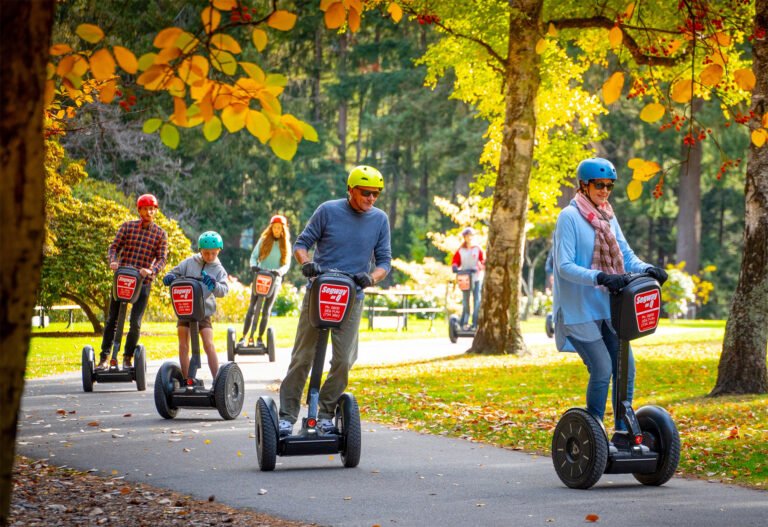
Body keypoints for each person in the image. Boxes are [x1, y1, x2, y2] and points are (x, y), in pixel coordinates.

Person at [552, 157, 668, 439]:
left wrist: (647, 268)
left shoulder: (607, 215)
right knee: (603, 369)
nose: (604, 191)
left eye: (609, 186)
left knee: (626, 368)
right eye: (599, 185)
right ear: (584, 185)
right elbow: (564, 266)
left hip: (607, 307)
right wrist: (600, 277)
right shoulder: (569, 217)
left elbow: (625, 255)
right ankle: (592, 435)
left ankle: (623, 431)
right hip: (578, 310)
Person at [278, 165, 391, 436]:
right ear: (351, 190)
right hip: (320, 291)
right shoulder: (328, 210)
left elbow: (385, 262)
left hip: (352, 296)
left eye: (376, 193)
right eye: (366, 193)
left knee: (343, 360)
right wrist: (307, 264)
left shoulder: (380, 220)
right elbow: (301, 245)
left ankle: (326, 413)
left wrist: (371, 278)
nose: (371, 198)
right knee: (302, 357)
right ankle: (286, 416)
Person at [98, 194, 168, 370]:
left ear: (155, 211)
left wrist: (151, 270)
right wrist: (113, 261)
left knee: (135, 323)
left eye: (153, 209)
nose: (149, 212)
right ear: (140, 210)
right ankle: (105, 357)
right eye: (146, 208)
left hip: (142, 282)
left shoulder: (160, 234)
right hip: (122, 280)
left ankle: (127, 357)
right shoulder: (127, 227)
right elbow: (113, 247)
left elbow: (162, 259)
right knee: (112, 319)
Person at [162, 231, 229, 380]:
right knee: (183, 343)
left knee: (208, 343)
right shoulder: (189, 263)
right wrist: (170, 277)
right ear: (200, 250)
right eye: (206, 253)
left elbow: (224, 290)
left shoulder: (219, 270)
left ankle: (218, 382)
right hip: (185, 309)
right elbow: (174, 273)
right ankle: (187, 380)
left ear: (219, 251)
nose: (210, 257)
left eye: (213, 253)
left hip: (203, 312)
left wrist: (214, 285)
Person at [240, 214, 292, 347]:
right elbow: (253, 256)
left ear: (283, 229)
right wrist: (253, 266)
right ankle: (244, 336)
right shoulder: (263, 240)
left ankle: (259, 337)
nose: (276, 230)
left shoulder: (286, 244)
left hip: (274, 279)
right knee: (252, 307)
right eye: (274, 227)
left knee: (266, 310)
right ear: (271, 228)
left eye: (279, 228)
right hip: (260, 276)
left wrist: (279, 271)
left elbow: (286, 264)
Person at [451, 227, 485, 330]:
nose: (469, 238)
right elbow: (455, 260)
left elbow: (483, 261)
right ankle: (464, 322)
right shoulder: (461, 250)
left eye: (470, 236)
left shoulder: (477, 249)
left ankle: (475, 322)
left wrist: (478, 267)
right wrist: (455, 266)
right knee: (465, 301)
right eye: (466, 236)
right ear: (464, 237)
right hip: (464, 278)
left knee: (477, 300)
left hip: (476, 278)